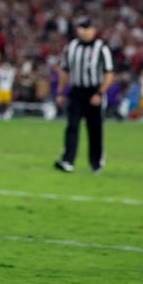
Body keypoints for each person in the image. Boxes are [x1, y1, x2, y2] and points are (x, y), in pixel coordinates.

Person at [54, 17, 114, 174]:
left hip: (94, 91)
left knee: (95, 129)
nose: (83, 31)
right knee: (72, 126)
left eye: (86, 28)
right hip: (76, 92)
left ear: (93, 30)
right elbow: (64, 71)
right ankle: (68, 161)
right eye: (81, 28)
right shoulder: (71, 47)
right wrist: (60, 92)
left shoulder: (102, 48)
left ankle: (96, 163)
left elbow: (109, 74)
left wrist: (100, 93)